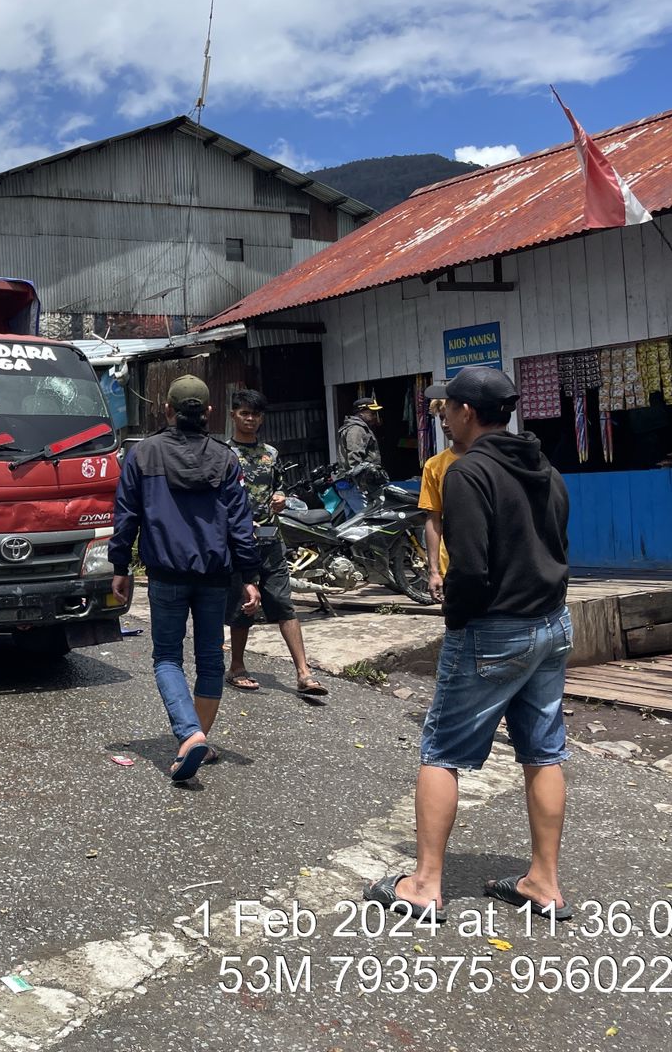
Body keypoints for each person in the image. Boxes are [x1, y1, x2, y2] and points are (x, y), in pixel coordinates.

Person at [365, 366, 573, 921]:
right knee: (543, 752)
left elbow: (471, 568)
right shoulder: (546, 468)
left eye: (448, 408)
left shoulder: (467, 473)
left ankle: (424, 884)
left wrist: (457, 621)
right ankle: (544, 883)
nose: (443, 417)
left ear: (468, 412)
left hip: (493, 628)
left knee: (441, 752)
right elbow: (558, 544)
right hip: (552, 623)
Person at [109, 375, 261, 783]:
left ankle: (189, 734)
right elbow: (240, 523)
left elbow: (126, 517)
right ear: (209, 411)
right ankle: (198, 740)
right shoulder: (226, 458)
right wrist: (249, 575)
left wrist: (120, 567)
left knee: (167, 658)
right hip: (215, 575)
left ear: (167, 410)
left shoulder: (142, 454)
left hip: (165, 574)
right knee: (210, 658)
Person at [222, 390, 329, 697]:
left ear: (262, 418)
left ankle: (304, 673)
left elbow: (278, 488)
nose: (250, 419)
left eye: (255, 414)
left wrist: (281, 499)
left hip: (271, 540)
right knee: (244, 606)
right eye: (244, 413)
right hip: (238, 542)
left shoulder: (271, 453)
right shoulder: (224, 454)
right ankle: (237, 667)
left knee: (283, 604)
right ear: (233, 415)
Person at [419, 398, 464, 602]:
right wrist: (434, 570)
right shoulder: (435, 465)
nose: (445, 424)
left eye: (449, 417)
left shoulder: (494, 458)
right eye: (441, 418)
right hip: (452, 564)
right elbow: (433, 518)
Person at [336, 396, 386, 512]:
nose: (375, 416)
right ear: (361, 413)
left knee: (353, 520)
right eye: (372, 413)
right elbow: (354, 458)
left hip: (352, 485)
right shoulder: (356, 429)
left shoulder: (358, 428)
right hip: (356, 485)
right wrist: (363, 484)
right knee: (368, 516)